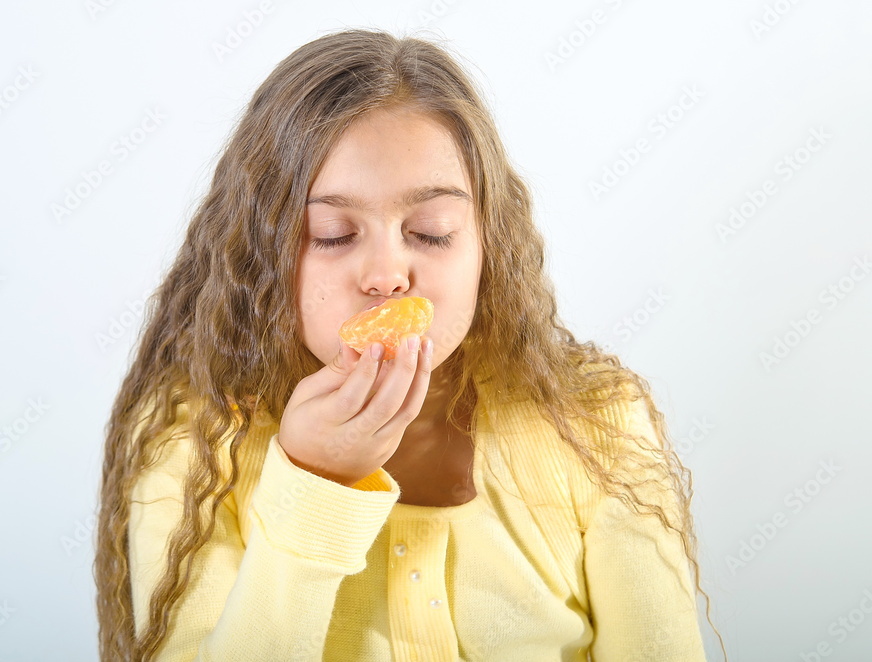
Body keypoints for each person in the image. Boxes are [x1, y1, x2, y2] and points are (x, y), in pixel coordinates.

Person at [94, 28, 727, 662]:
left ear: (488, 247)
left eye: (430, 231)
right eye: (333, 233)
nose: (387, 275)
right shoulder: (196, 441)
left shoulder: (596, 422)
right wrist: (316, 481)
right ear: (259, 256)